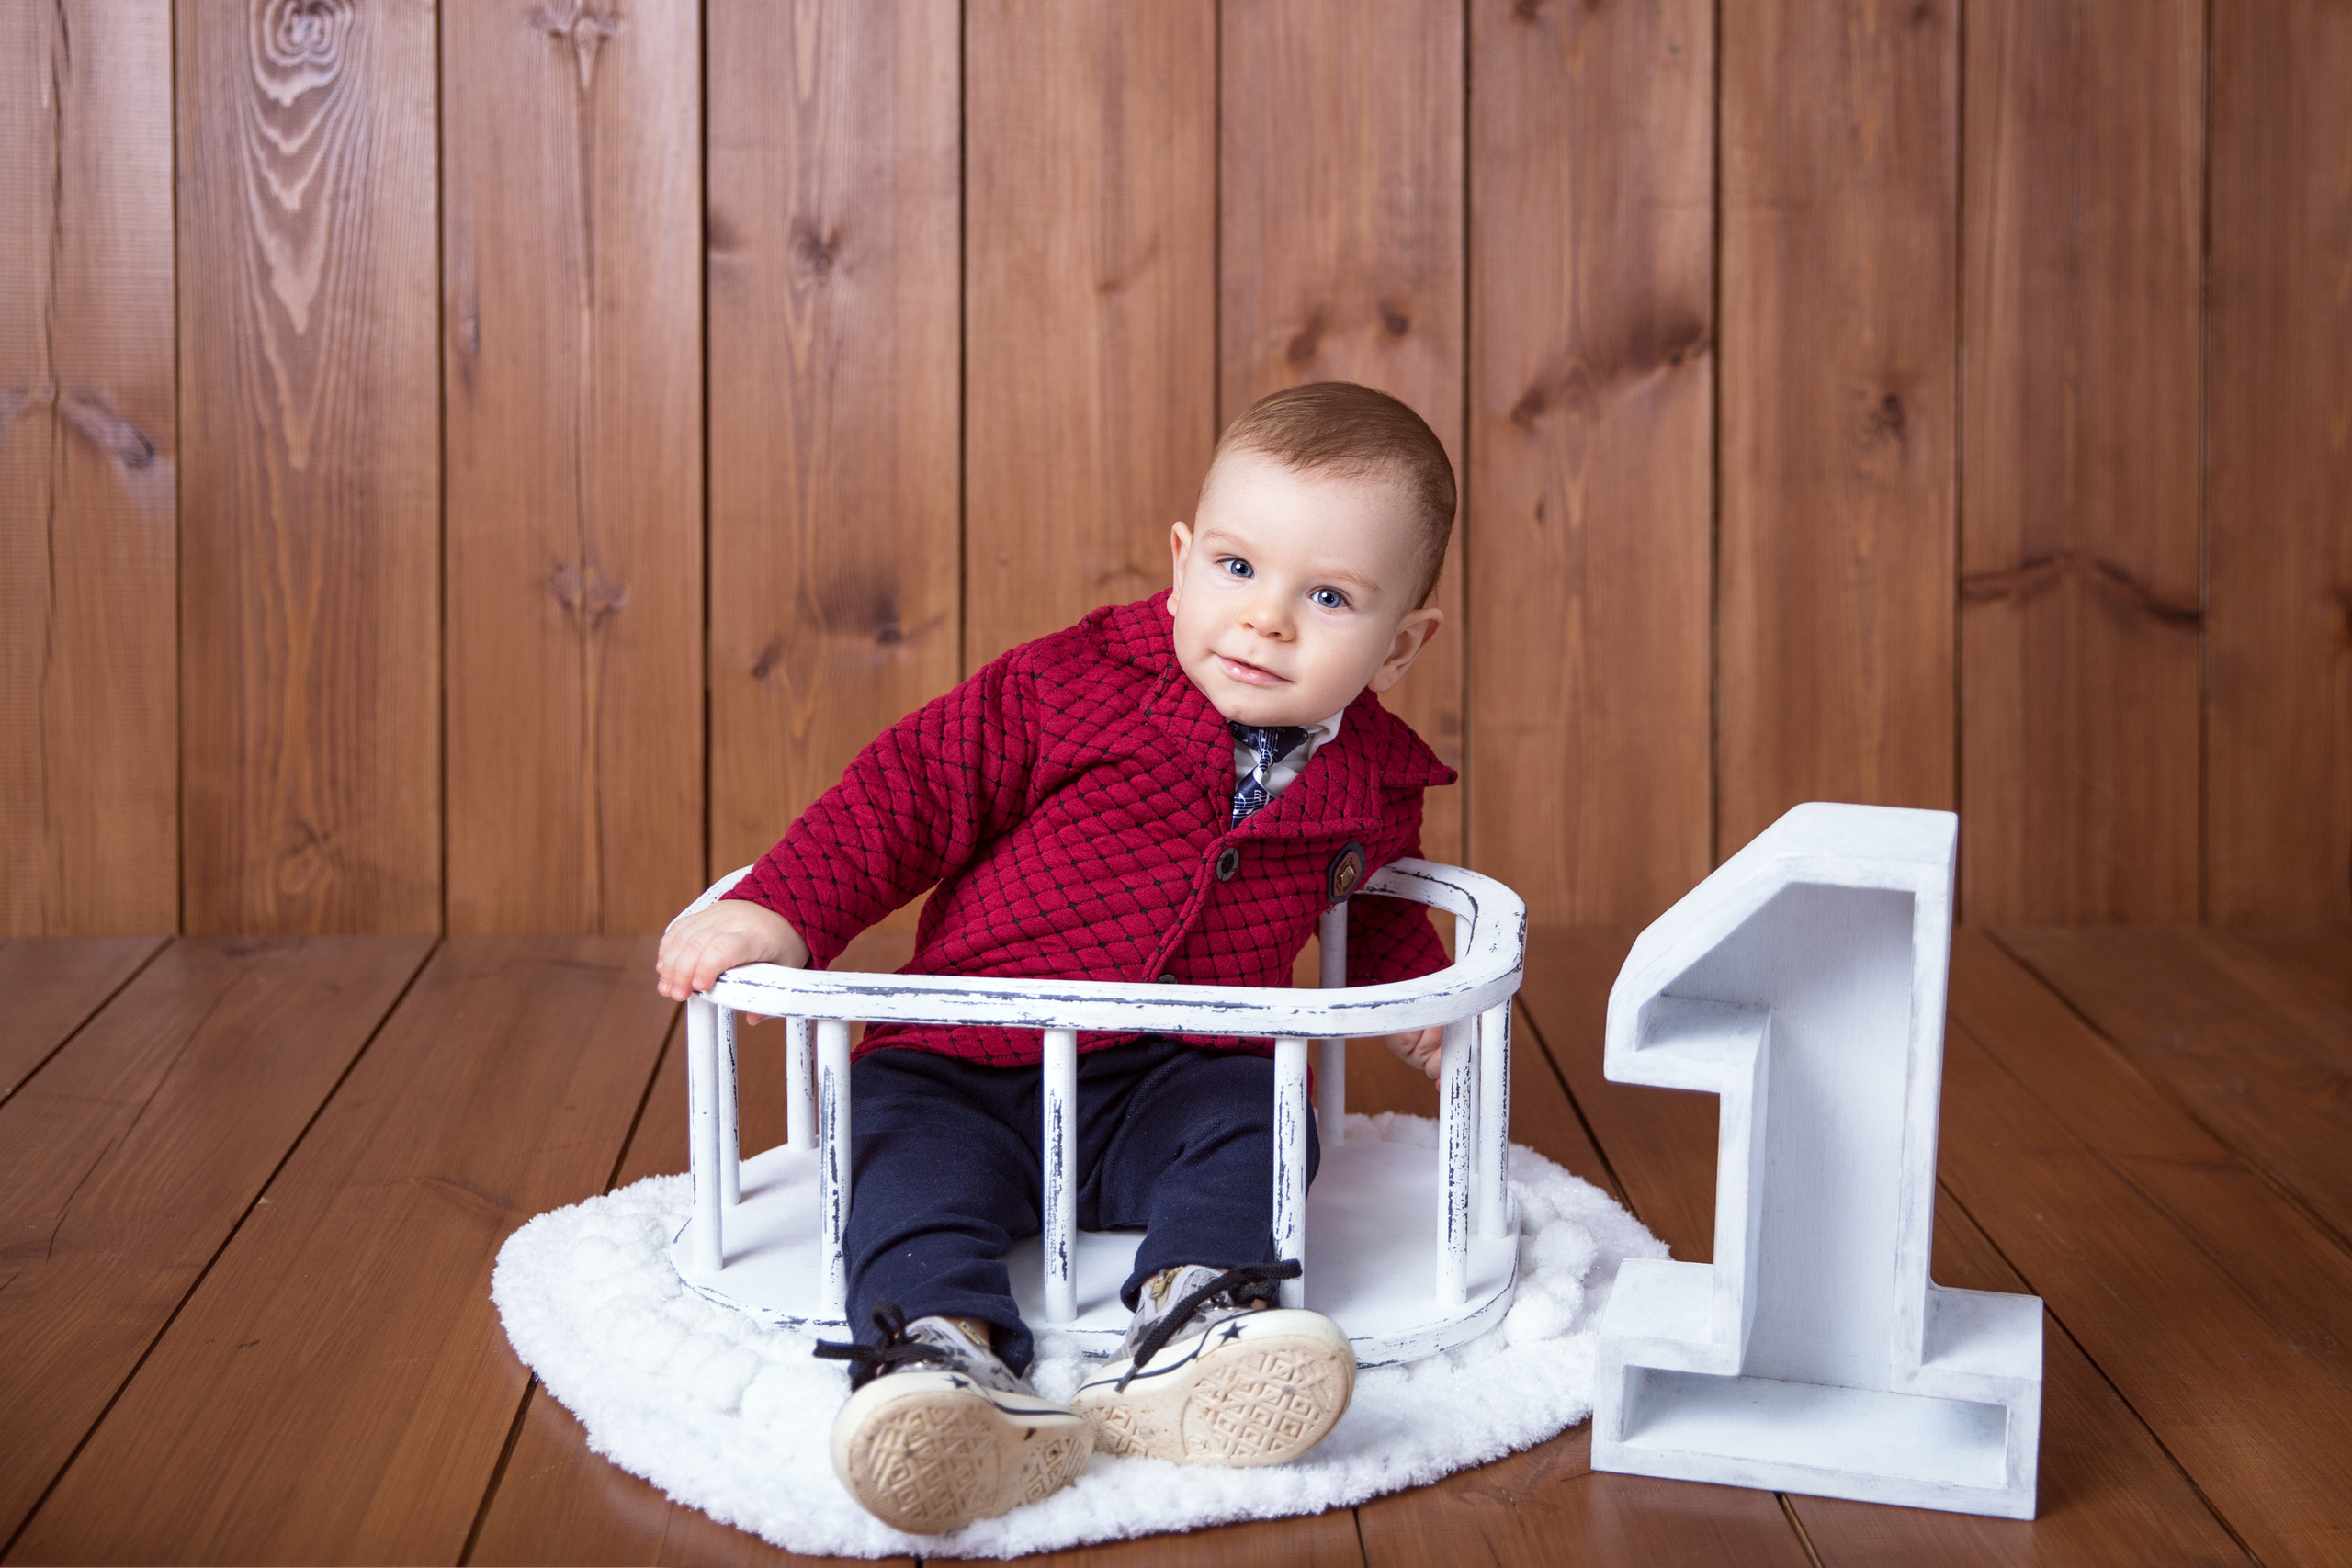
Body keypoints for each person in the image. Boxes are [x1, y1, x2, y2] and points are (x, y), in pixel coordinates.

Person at [656, 381, 1459, 1535]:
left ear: (1400, 644)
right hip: (966, 1056)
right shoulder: (1067, 689)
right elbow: (906, 796)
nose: (1265, 619)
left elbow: (1365, 903)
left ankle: (1201, 1323)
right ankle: (939, 1359)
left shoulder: (1370, 777)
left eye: (1328, 596)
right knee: (893, 1150)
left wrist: (1403, 993)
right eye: (1237, 569)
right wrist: (781, 910)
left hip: (1173, 1072)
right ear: (1182, 562)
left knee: (1266, 1116)